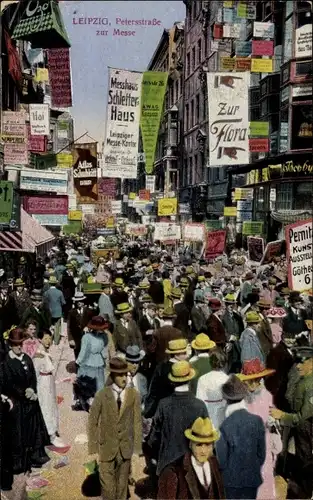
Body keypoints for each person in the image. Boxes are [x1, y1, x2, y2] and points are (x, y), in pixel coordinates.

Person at [88, 357, 142, 500]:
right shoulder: (102, 395)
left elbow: (137, 421)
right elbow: (92, 421)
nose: (124, 378)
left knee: (122, 487)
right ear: (112, 375)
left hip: (125, 448)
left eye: (125, 374)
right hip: (106, 447)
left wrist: (137, 447)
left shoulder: (133, 395)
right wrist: (93, 447)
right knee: (108, 488)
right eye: (120, 375)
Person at [147, 360, 208, 478]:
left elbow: (154, 437)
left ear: (173, 382)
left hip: (168, 463)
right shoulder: (199, 405)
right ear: (190, 379)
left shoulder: (163, 405)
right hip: (192, 465)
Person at [2, 327, 50, 473]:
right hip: (18, 403)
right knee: (20, 433)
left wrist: (32, 389)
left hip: (31, 401)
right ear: (10, 345)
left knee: (34, 429)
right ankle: (20, 463)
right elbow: (9, 384)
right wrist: (24, 393)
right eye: (15, 344)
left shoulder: (26, 358)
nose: (18, 347)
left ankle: (36, 456)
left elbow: (33, 377)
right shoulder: (7, 363)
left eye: (20, 344)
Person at [270, 346, 313, 499]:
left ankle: (306, 493)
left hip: (306, 428)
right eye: (297, 363)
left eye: (302, 362)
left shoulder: (310, 385)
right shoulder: (304, 379)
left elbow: (302, 416)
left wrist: (282, 415)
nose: (298, 366)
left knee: (306, 460)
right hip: (302, 428)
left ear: (312, 363)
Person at [216, 374, 266, 499]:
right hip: (251, 478)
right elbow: (261, 455)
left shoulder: (224, 425)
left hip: (231, 480)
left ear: (226, 399)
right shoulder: (257, 421)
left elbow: (221, 460)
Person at [238, 358, 280, 500]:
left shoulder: (266, 395)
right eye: (250, 381)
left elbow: (273, 414)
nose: (254, 384)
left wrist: (272, 420)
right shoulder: (240, 398)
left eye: (257, 380)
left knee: (265, 475)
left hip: (263, 441)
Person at [157, 417, 225, 499]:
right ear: (190, 444)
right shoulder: (172, 472)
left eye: (207, 445)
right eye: (198, 445)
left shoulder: (215, 464)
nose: (203, 451)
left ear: (213, 446)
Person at [32, 328, 66, 448]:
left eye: (49, 338)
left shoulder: (47, 352)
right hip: (43, 384)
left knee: (52, 406)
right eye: (45, 338)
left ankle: (53, 431)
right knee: (46, 407)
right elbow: (35, 373)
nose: (48, 341)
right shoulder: (38, 355)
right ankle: (50, 434)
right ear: (40, 340)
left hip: (49, 382)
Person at [76, 316, 112, 392]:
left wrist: (78, 362)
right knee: (94, 385)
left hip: (95, 362)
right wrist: (78, 361)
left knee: (96, 385)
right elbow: (84, 351)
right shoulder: (89, 337)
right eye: (100, 328)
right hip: (94, 362)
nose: (102, 329)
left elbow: (104, 347)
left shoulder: (102, 336)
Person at [196, 348, 229, 430]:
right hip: (224, 416)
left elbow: (200, 402)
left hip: (208, 418)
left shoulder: (202, 379)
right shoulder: (227, 379)